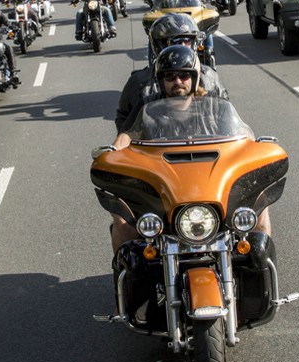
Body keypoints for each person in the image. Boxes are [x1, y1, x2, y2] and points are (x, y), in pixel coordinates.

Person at [108, 44, 270, 250]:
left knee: (259, 207)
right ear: (161, 81)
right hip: (163, 187)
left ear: (194, 78)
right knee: (122, 217)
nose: (178, 82)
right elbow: (126, 136)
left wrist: (255, 147)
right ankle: (125, 272)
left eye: (184, 76)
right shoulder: (148, 109)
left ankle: (261, 266)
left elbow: (242, 134)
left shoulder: (213, 106)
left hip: (210, 183)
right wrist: (112, 154)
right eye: (170, 77)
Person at [117, 15, 228, 132]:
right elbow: (124, 119)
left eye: (187, 41)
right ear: (160, 45)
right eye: (177, 41)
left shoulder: (210, 76)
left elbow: (226, 113)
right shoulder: (140, 82)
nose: (183, 46)